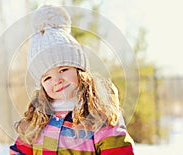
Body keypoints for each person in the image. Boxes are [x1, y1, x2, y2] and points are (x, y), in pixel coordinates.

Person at [10, 4, 134, 155]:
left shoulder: (99, 116)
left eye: (63, 70)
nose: (57, 81)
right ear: (41, 85)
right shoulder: (37, 119)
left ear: (80, 70)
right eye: (47, 78)